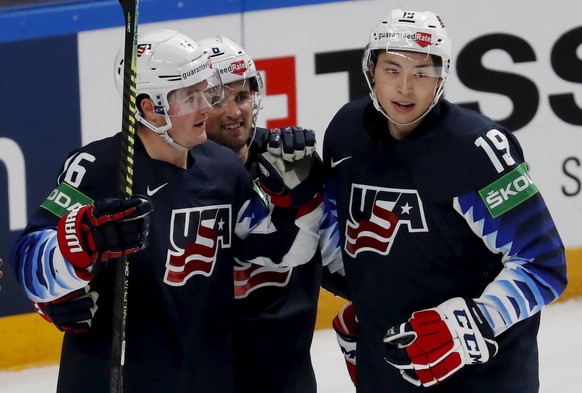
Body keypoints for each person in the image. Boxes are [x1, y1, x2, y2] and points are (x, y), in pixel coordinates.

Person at [10, 29, 321, 393]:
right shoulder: (96, 168)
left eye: (207, 91)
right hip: (114, 379)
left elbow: (274, 251)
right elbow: (28, 263)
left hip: (205, 377)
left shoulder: (223, 169)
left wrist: (292, 199)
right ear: (149, 108)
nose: (207, 106)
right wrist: (81, 242)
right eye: (191, 97)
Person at [320, 9, 567, 393]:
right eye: (392, 70)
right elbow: (345, 238)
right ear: (370, 69)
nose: (405, 88)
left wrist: (476, 322)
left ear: (443, 75)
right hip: (388, 364)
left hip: (483, 377)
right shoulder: (347, 132)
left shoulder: (477, 149)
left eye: (422, 72)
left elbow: (544, 264)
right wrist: (367, 301)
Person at [199, 35, 336, 393]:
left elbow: (335, 253)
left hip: (285, 373)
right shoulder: (176, 178)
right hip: (207, 372)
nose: (234, 112)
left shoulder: (291, 161)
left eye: (242, 96)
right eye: (217, 100)